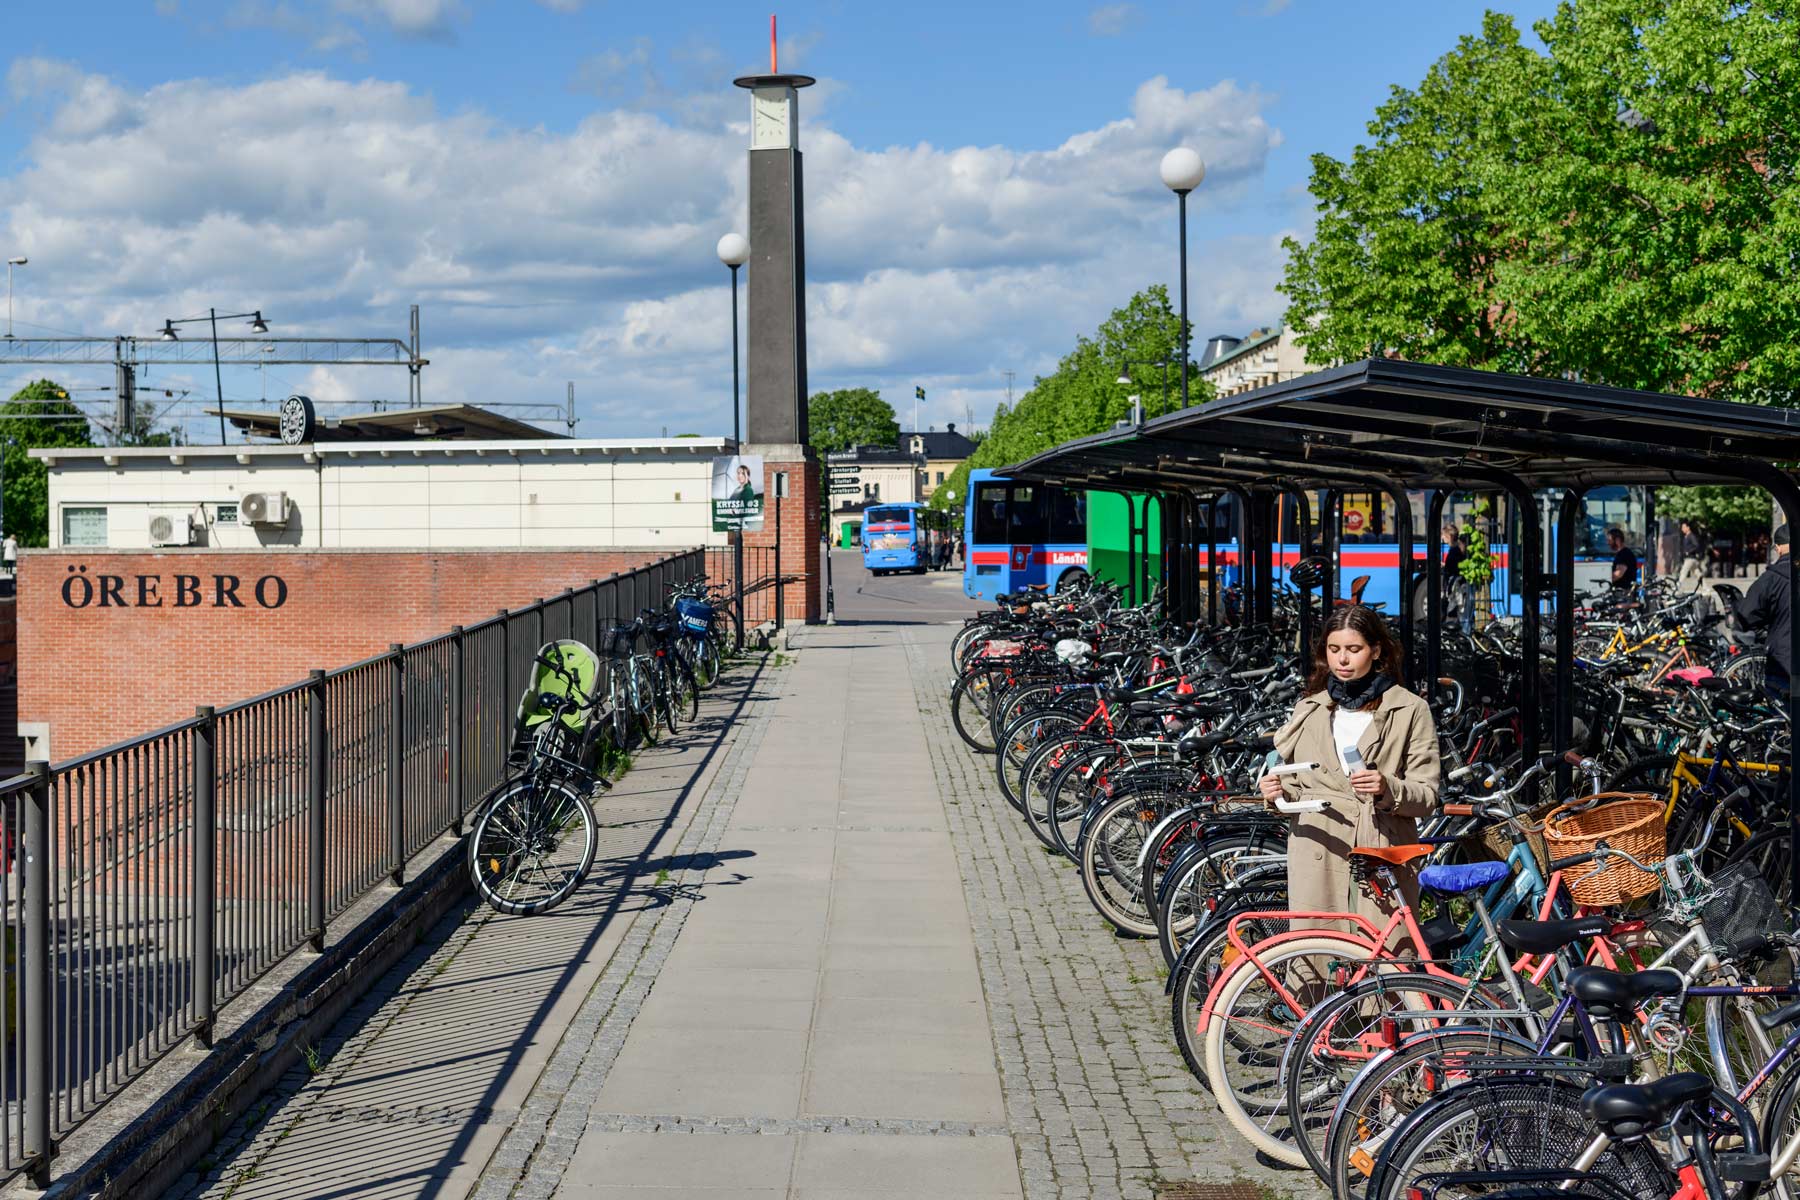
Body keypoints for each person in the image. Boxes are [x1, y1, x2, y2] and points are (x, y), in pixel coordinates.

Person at [1258, 604, 1442, 923]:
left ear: (1376, 650)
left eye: (1353, 649)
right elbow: (1293, 783)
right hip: (1317, 852)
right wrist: (1276, 793)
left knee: (1385, 963)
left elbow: (1427, 795)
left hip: (1381, 855)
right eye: (1334, 649)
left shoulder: (1410, 709)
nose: (1342, 660)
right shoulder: (1309, 710)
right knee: (1315, 957)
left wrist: (1387, 788)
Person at [1736, 523, 1792, 707]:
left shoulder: (1772, 578)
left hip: (1783, 661)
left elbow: (1746, 615)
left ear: (1778, 547)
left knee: (1779, 723)